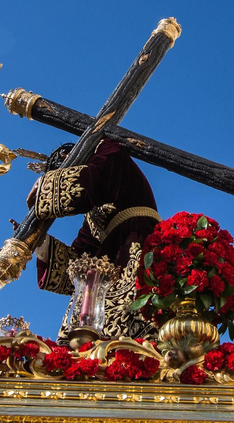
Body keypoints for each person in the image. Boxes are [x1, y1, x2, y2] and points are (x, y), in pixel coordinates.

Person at [29, 139, 160, 341]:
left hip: (139, 242)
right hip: (111, 257)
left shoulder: (108, 149)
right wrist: (41, 243)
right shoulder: (94, 216)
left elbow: (99, 177)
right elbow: (80, 257)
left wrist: (44, 187)